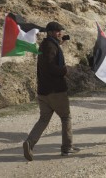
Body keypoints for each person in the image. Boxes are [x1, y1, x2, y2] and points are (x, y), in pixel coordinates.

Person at [23, 22, 78, 160]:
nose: (60, 33)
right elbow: (51, 67)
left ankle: (29, 143)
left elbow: (49, 58)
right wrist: (65, 70)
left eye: (61, 31)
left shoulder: (46, 44)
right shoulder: (50, 46)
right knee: (66, 117)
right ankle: (67, 148)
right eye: (58, 31)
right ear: (51, 32)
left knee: (43, 119)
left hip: (43, 91)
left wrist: (60, 44)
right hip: (55, 90)